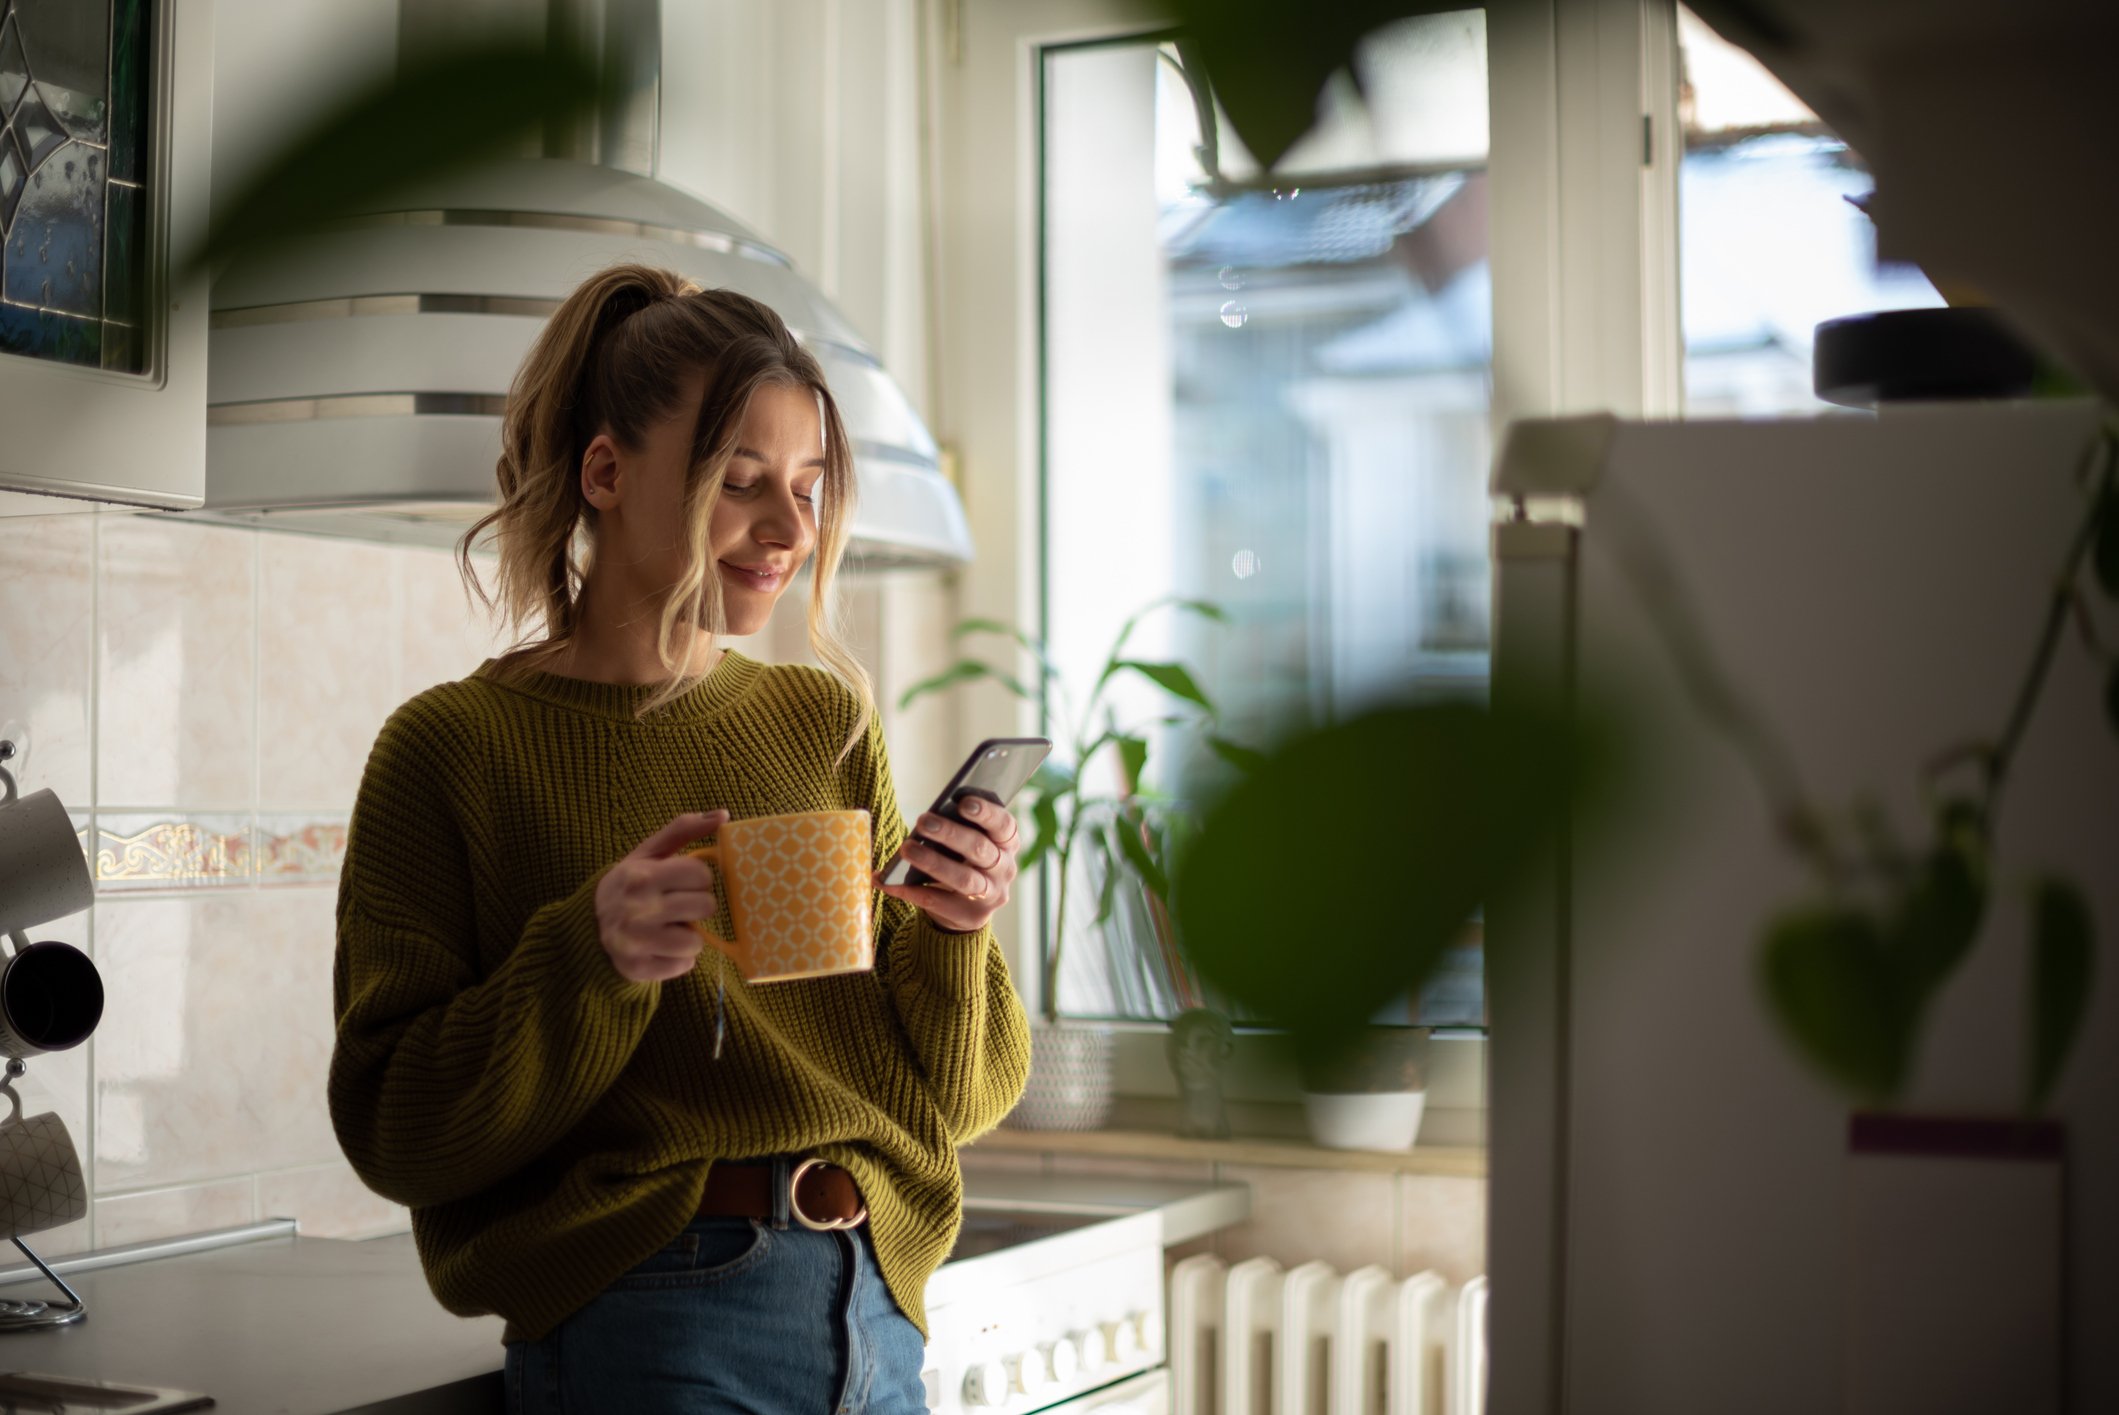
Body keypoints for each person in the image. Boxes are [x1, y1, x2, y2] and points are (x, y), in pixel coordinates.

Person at [326, 263, 1032, 1414]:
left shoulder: (819, 721)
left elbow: (963, 1094)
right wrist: (588, 957)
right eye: (741, 479)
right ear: (606, 471)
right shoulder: (452, 748)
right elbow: (393, 1128)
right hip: (654, 1316)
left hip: (876, 1307)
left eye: (808, 484)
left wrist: (955, 933)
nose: (790, 527)